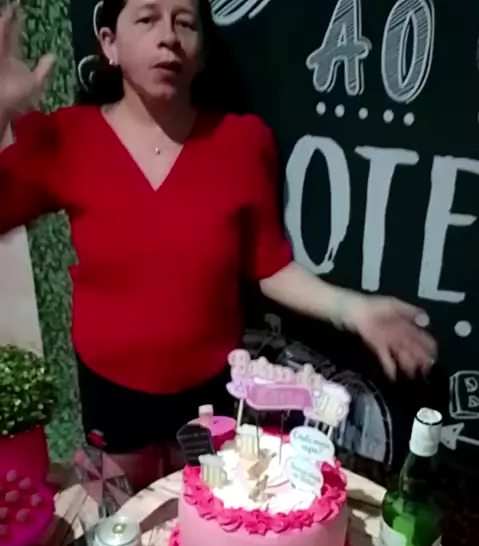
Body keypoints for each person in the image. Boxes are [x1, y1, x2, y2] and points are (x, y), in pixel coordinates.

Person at [0, 0, 436, 489]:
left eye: (184, 22)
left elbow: (268, 265)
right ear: (110, 44)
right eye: (146, 18)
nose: (168, 35)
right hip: (110, 388)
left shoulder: (241, 142)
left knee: (205, 510)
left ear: (202, 52)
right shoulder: (67, 137)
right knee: (125, 512)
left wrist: (352, 310)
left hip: (211, 388)